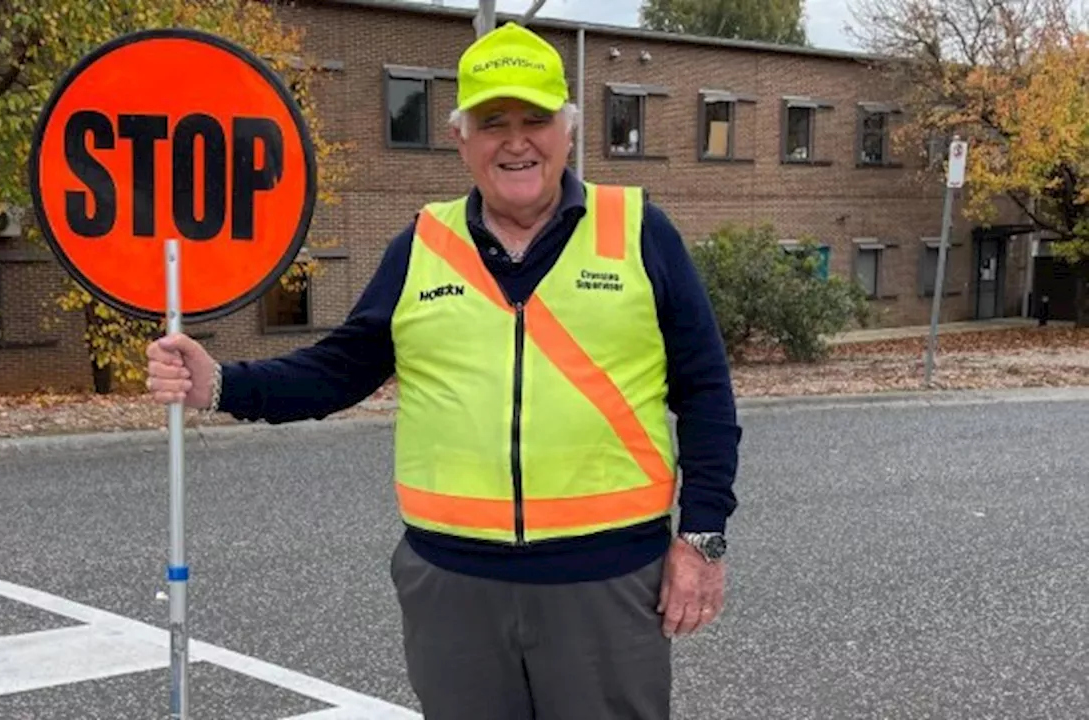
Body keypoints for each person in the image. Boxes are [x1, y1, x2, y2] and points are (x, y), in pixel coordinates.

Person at [145, 21, 740, 720]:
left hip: (607, 582)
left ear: (569, 132)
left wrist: (701, 540)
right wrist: (220, 384)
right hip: (453, 587)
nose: (516, 141)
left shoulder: (639, 230)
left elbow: (705, 394)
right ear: (461, 139)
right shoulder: (423, 242)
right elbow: (341, 368)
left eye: (535, 119)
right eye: (493, 122)